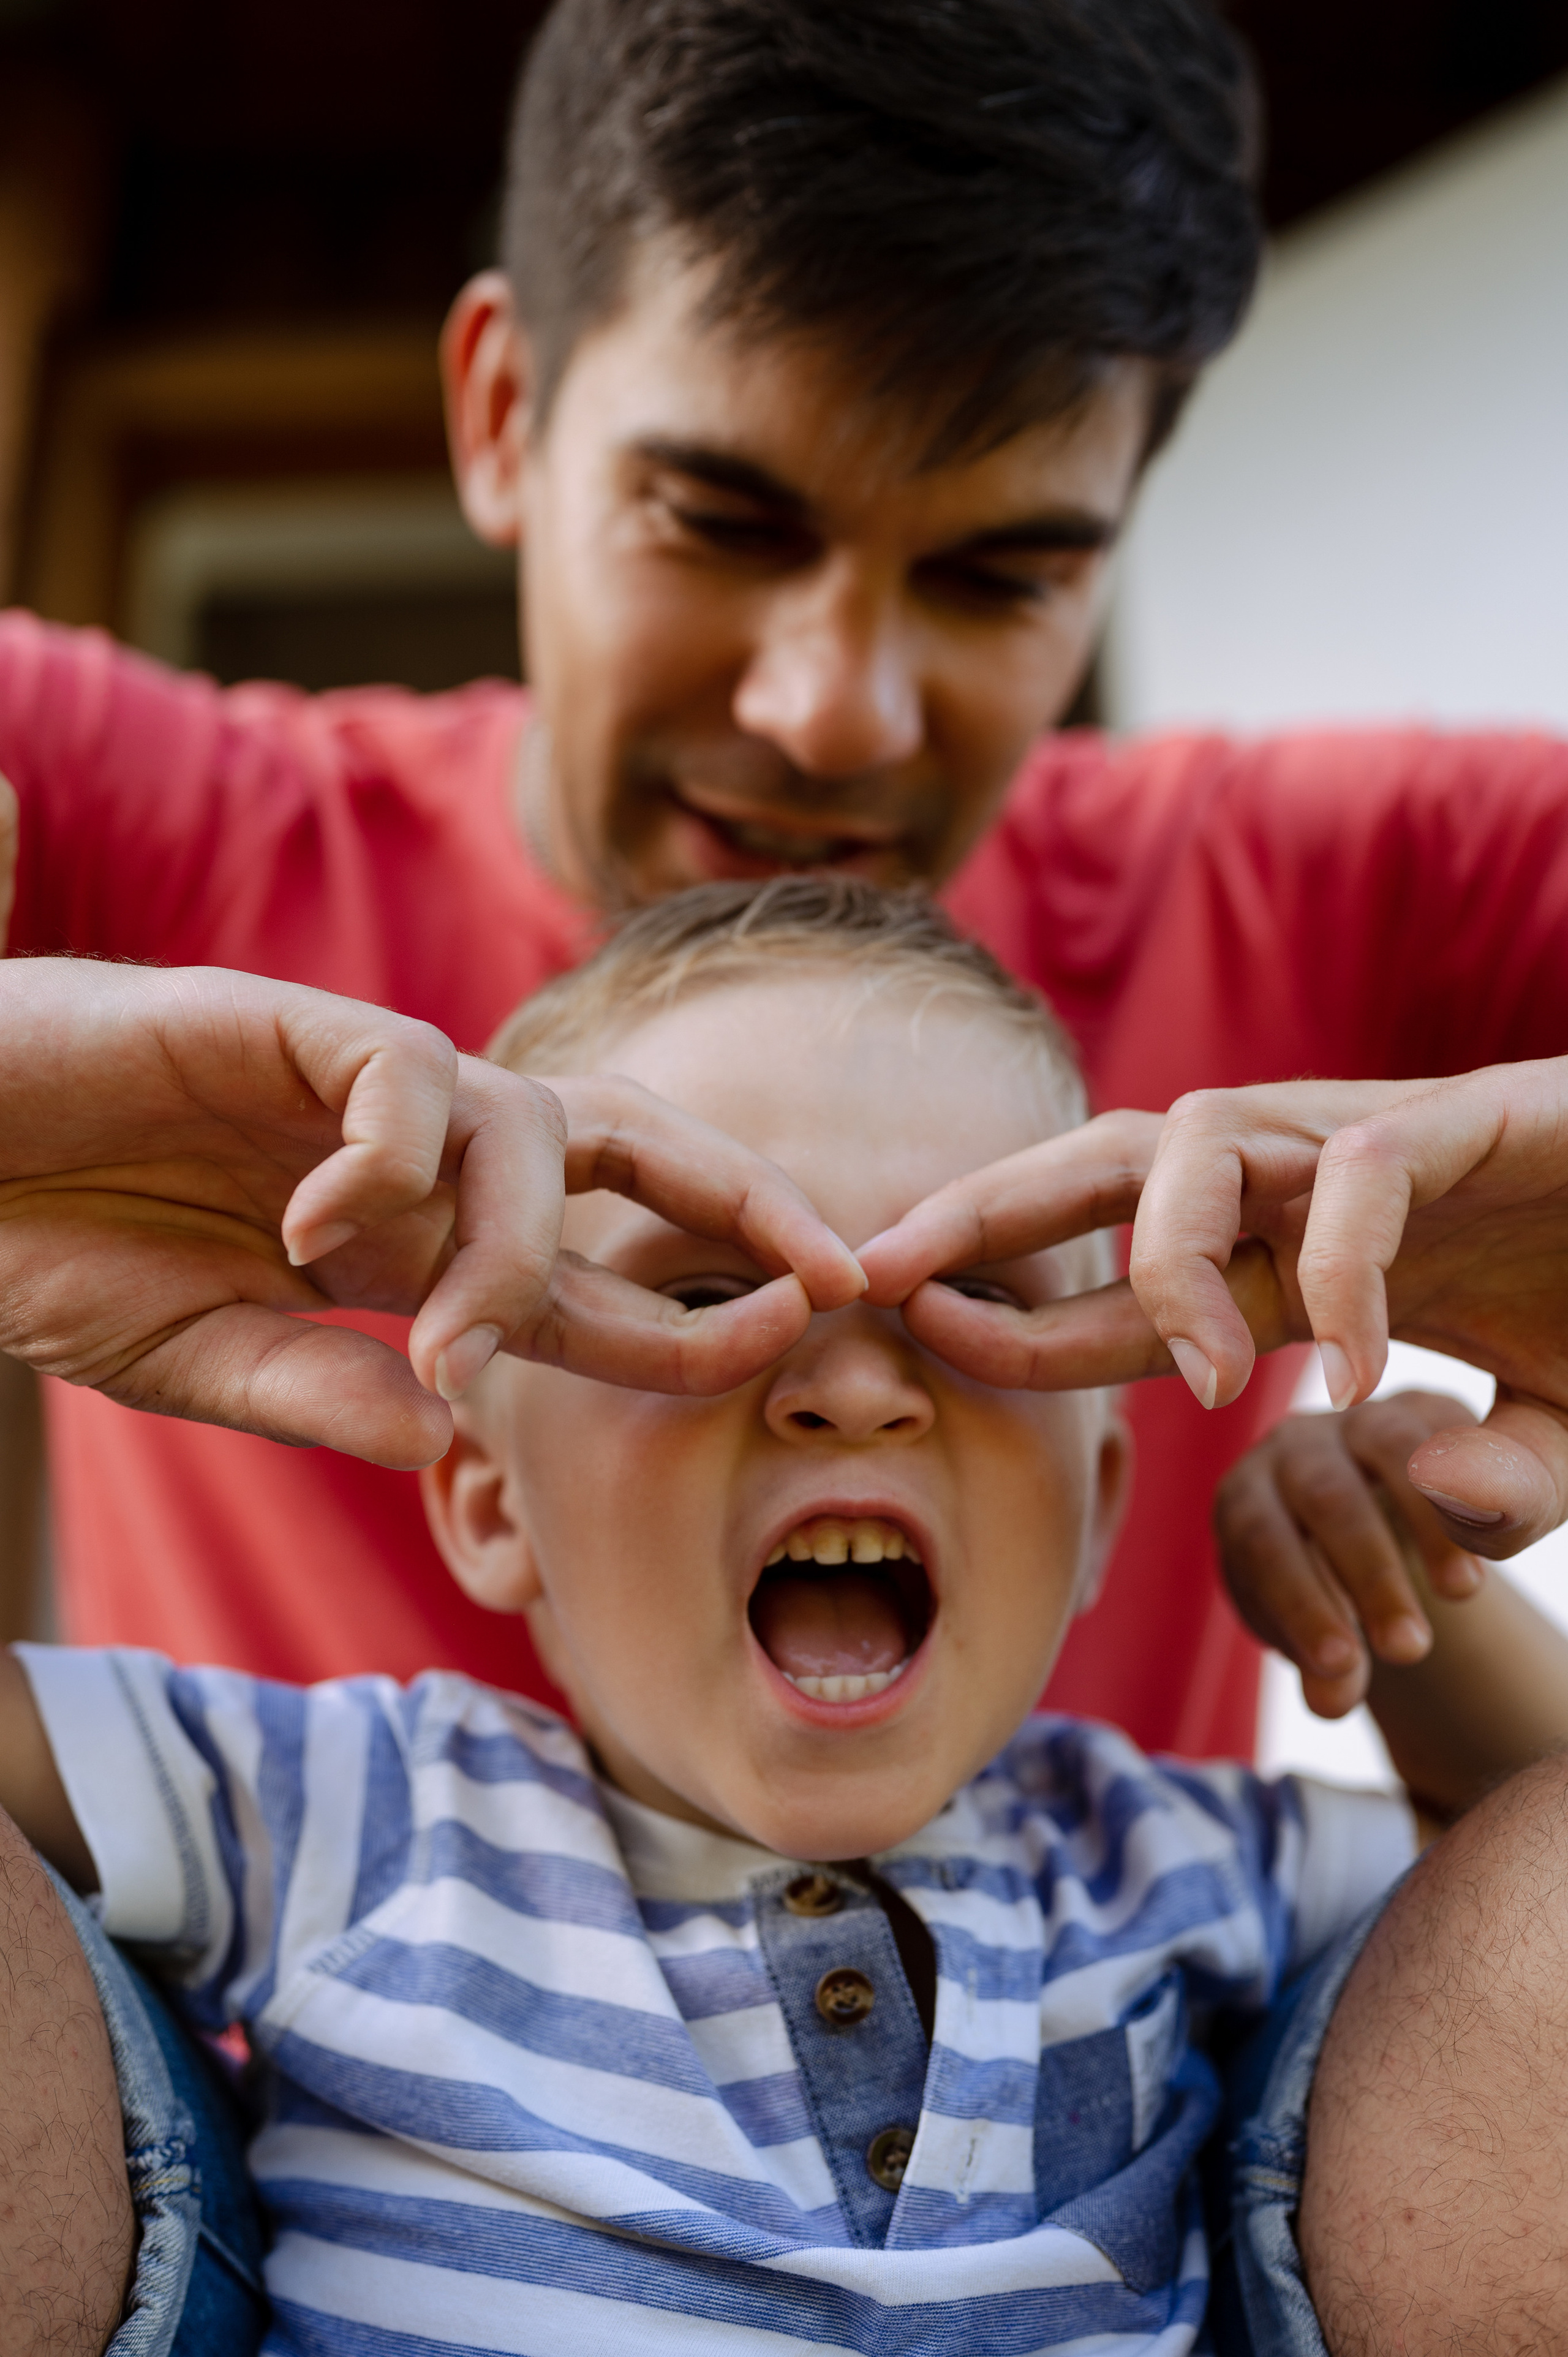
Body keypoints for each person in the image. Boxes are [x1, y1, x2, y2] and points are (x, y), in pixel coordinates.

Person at [9, 0, 1568, 1763]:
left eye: (997, 577)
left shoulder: (1340, 883)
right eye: (725, 525)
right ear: (504, 411)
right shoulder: (136, 813)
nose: (834, 713)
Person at [6, 877, 1568, 2357]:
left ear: (1096, 1512)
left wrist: (1417, 1590)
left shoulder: (1152, 1857)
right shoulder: (361, 1811)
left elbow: (1517, 1918)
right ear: (493, 1504)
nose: (852, 1387)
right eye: (699, 1300)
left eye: (985, 1305)